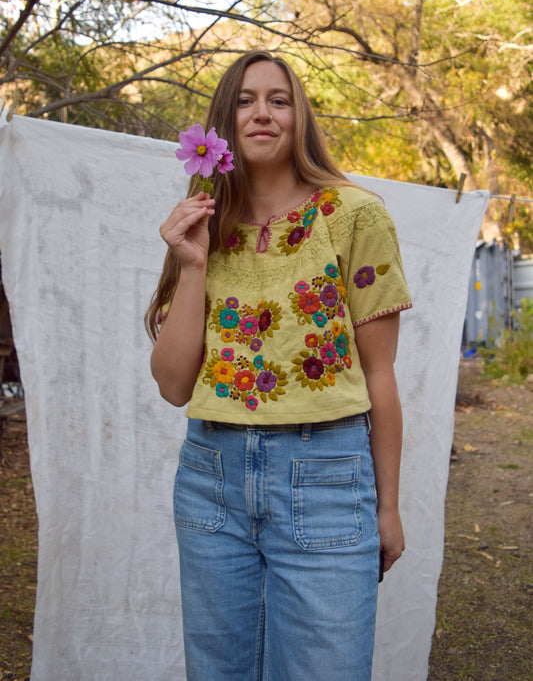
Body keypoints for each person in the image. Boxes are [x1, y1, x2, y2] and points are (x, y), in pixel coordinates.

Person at [146, 50, 412, 681]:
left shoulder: (354, 214)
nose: (261, 112)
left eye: (279, 99)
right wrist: (191, 264)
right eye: (244, 99)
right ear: (222, 124)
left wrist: (389, 505)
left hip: (327, 477)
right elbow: (174, 384)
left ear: (300, 117)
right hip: (211, 479)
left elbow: (380, 374)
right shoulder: (206, 224)